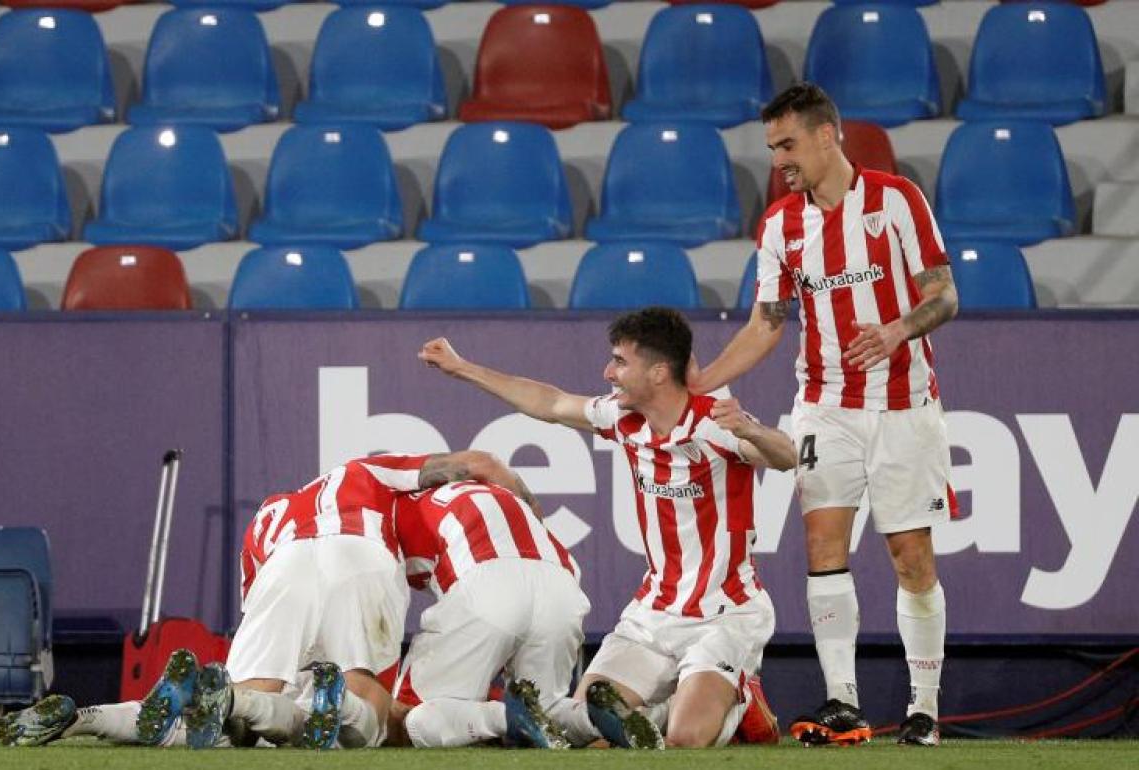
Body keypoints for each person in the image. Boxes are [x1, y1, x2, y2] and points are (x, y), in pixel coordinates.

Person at [691, 83, 959, 748]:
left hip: (903, 404)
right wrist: (703, 381)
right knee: (822, 547)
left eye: (787, 144)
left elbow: (945, 295)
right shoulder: (780, 224)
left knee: (910, 557)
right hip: (824, 405)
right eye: (772, 147)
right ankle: (844, 701)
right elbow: (767, 322)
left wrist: (896, 332)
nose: (779, 159)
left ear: (826, 136)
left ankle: (924, 707)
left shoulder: (896, 201)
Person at [419, 307, 796, 749]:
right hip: (653, 615)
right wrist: (463, 369)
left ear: (658, 372)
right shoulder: (622, 418)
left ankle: (743, 701)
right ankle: (656, 712)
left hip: (725, 615)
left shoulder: (714, 423)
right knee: (589, 733)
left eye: (620, 361)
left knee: (686, 740)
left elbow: (787, 456)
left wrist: (752, 430)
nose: (608, 372)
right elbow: (552, 403)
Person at [0, 450, 534, 750]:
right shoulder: (365, 472)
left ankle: (88, 717)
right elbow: (478, 464)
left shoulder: (268, 517)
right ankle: (334, 702)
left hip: (282, 568)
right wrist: (526, 510)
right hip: (359, 553)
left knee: (241, 710)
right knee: (365, 718)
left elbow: (267, 610)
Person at [384, 479, 590, 750]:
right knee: (547, 709)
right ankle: (591, 719)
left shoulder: (387, 514)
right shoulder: (489, 490)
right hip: (563, 588)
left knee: (406, 718)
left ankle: (506, 717)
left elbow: (379, 613)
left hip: (487, 584)